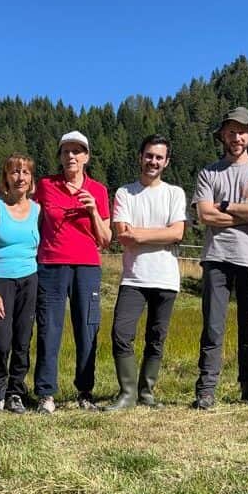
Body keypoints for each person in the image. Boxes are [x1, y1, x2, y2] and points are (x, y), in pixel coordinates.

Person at [191, 107, 248, 411]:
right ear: (222, 136)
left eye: (242, 131)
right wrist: (247, 215)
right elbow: (204, 214)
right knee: (213, 326)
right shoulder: (208, 172)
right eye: (231, 131)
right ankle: (206, 389)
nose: (237, 137)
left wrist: (226, 207)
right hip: (216, 258)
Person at [105, 134, 187, 411]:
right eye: (149, 155)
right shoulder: (124, 193)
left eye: (159, 157)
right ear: (140, 157)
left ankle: (147, 393)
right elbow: (123, 237)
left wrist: (140, 234)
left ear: (166, 162)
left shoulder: (175, 193)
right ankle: (127, 393)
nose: (153, 161)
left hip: (165, 278)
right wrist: (160, 234)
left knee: (156, 336)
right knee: (121, 333)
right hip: (134, 278)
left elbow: (178, 232)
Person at [33, 131, 112, 413]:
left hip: (87, 266)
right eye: (66, 151)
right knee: (48, 329)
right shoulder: (45, 186)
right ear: (60, 156)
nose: (71, 156)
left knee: (87, 328)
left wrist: (92, 211)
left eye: (77, 151)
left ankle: (85, 392)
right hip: (51, 264)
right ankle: (45, 394)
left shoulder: (99, 190)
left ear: (86, 156)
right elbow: (24, 211)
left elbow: (106, 239)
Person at [0, 154, 40, 414]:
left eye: (25, 172)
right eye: (14, 172)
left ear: (31, 179)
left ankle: (16, 392)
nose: (20, 177)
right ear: (6, 178)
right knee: (2, 341)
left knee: (23, 340)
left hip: (30, 279)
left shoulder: (38, 210)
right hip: (0, 280)